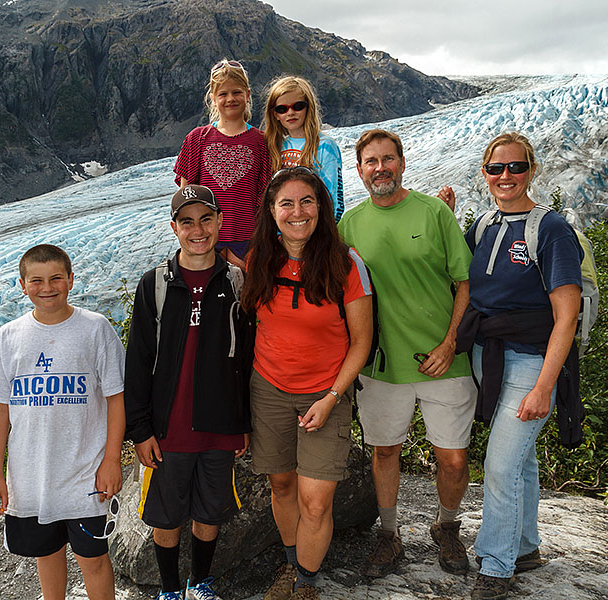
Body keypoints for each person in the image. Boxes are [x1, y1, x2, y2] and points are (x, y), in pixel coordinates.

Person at [337, 129, 477, 578]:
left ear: (402, 162)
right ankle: (389, 533)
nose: (380, 168)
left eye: (388, 159)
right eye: (371, 162)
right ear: (359, 172)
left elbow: (464, 283)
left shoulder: (435, 212)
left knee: (453, 457)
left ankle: (446, 525)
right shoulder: (350, 225)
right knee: (384, 452)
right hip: (381, 364)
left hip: (444, 359)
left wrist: (451, 340)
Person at [456, 133, 582, 600]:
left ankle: (495, 564)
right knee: (521, 460)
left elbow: (566, 315)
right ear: (484, 173)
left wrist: (545, 384)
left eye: (515, 167)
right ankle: (525, 546)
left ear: (531, 170)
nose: (505, 177)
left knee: (501, 463)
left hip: (532, 360)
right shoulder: (485, 223)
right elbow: (458, 274)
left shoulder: (550, 229)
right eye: (495, 168)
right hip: (487, 355)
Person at [242, 167, 373, 600]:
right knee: (281, 485)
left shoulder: (345, 263)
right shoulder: (261, 259)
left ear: (321, 207)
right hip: (269, 389)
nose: (297, 212)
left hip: (325, 394)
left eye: (307, 202)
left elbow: (362, 342)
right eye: (286, 203)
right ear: (272, 211)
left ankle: (306, 581)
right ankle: (291, 560)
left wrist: (334, 396)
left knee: (315, 500)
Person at [0, 244, 125, 600]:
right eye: (37, 280)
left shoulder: (95, 329)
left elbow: (116, 399)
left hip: (85, 475)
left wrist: (112, 460)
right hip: (30, 477)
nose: (47, 287)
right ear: (23, 285)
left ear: (71, 280)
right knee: (46, 552)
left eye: (56, 278)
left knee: (94, 558)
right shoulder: (9, 337)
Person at [124, 184, 253, 600]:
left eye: (205, 219)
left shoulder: (237, 281)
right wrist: (140, 430)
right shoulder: (154, 285)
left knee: (209, 511)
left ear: (218, 222)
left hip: (219, 425)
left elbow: (246, 360)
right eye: (187, 222)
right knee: (166, 516)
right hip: (169, 429)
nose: (198, 230)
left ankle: (200, 582)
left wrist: (243, 423)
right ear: (174, 228)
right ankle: (168, 590)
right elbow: (138, 363)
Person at [174, 59, 271, 270]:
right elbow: (186, 200)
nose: (230, 99)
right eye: (223, 94)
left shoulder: (262, 142)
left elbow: (265, 199)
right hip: (207, 244)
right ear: (213, 98)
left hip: (250, 245)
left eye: (236, 92)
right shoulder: (196, 139)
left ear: (248, 94)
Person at [262, 76, 344, 222]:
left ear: (309, 107)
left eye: (298, 106)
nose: (290, 112)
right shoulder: (274, 147)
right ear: (275, 115)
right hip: (283, 232)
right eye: (282, 109)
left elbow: (333, 198)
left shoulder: (325, 146)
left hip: (316, 229)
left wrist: (327, 230)